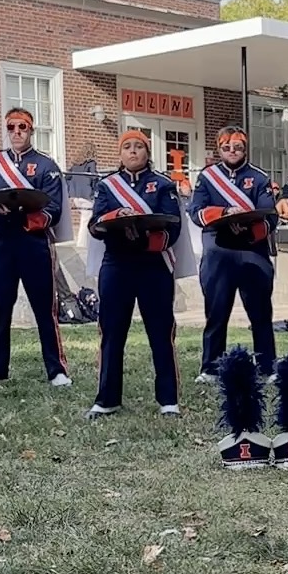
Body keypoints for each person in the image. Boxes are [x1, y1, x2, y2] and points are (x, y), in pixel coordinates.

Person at [85, 129, 195, 419]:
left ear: (148, 152)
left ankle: (168, 399)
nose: (133, 152)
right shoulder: (107, 186)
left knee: (161, 332)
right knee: (111, 331)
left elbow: (172, 228)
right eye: (127, 147)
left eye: (139, 147)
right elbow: (95, 224)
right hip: (116, 263)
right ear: (120, 154)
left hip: (152, 264)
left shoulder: (163, 185)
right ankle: (107, 398)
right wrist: (115, 220)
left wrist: (142, 239)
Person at [0, 108, 74, 388]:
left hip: (34, 243)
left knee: (45, 309)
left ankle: (56, 370)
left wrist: (25, 215)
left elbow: (54, 208)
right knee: (0, 309)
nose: (17, 132)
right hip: (2, 243)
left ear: (31, 130)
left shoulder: (45, 165)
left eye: (23, 127)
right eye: (12, 127)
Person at [188, 125, 278, 382]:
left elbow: (270, 216)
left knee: (261, 313)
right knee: (216, 312)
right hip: (219, 250)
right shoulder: (207, 177)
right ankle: (211, 367)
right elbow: (196, 212)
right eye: (226, 147)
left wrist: (249, 227)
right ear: (219, 149)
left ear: (245, 148)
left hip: (252, 251)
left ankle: (267, 366)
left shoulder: (260, 178)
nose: (232, 151)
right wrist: (225, 215)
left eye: (237, 147)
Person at [66, 142, 98, 250]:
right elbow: (94, 178)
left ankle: (83, 242)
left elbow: (68, 177)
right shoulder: (91, 163)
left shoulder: (75, 164)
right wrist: (95, 192)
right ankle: (83, 243)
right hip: (86, 195)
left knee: (84, 218)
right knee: (87, 219)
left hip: (75, 195)